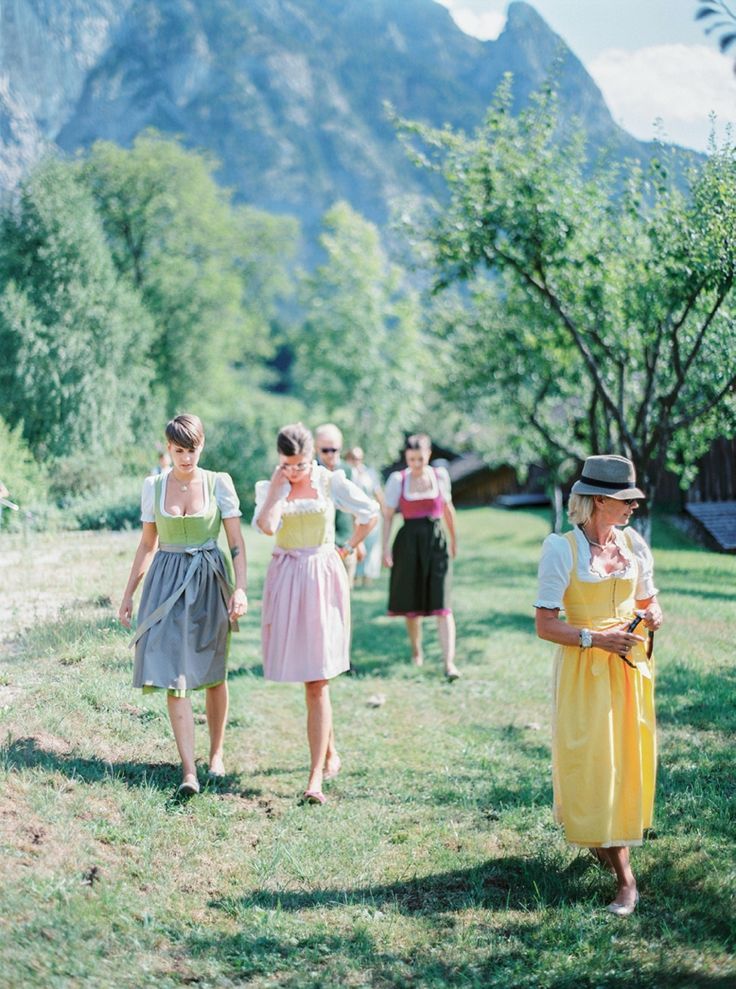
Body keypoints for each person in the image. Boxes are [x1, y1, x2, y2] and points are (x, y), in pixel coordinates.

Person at [534, 455, 663, 917]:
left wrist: (652, 615)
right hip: (586, 671)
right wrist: (597, 638)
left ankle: (606, 843)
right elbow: (546, 625)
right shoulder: (562, 549)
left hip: (629, 667)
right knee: (594, 765)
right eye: (625, 501)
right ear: (600, 501)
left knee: (626, 763)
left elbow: (649, 600)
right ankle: (627, 882)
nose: (632, 508)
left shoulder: (632, 544)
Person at [118, 414, 248, 796]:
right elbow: (146, 544)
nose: (185, 458)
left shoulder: (218, 483)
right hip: (165, 582)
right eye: (178, 451)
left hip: (209, 580)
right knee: (175, 675)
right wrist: (128, 595)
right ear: (168, 448)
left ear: (201, 446)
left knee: (212, 670)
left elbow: (236, 542)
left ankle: (217, 753)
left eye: (191, 450)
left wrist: (239, 589)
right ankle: (188, 770)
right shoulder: (154, 486)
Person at [254, 423, 379, 804]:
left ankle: (314, 780)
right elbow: (266, 526)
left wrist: (347, 547)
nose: (295, 471)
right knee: (308, 671)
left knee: (318, 678)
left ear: (311, 456)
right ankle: (329, 749)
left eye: (300, 464)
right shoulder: (270, 485)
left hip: (323, 578)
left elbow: (370, 512)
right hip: (287, 577)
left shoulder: (329, 482)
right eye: (287, 464)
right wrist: (278, 489)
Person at [382, 433, 459, 680]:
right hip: (408, 543)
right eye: (412, 459)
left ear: (429, 456)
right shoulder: (398, 480)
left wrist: (454, 540)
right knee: (411, 601)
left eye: (421, 459)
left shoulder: (439, 476)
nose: (416, 464)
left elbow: (448, 509)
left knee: (442, 603)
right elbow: (387, 515)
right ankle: (417, 651)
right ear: (406, 457)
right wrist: (384, 548)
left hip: (436, 541)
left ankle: (449, 664)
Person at [314, 423, 363, 588]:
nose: (330, 454)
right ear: (316, 448)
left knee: (343, 599)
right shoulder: (309, 470)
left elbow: (357, 507)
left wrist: (359, 541)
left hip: (345, 544)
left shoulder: (348, 471)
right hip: (317, 546)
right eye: (325, 450)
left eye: (334, 449)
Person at [344, 446, 384, 587]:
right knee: (356, 543)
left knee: (371, 545)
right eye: (354, 458)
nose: (357, 461)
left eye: (359, 458)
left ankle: (368, 577)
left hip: (370, 513)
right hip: (352, 514)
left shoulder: (369, 473)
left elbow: (377, 492)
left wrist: (384, 511)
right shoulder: (346, 474)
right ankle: (354, 576)